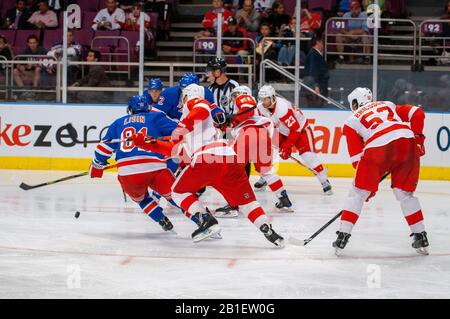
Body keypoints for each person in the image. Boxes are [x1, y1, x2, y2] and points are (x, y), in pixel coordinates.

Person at [133, 84, 285, 246]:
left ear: (187, 95)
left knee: (177, 192)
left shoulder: (196, 103)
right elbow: (174, 150)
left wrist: (182, 128)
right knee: (247, 203)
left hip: (206, 160)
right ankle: (268, 229)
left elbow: (202, 108)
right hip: (228, 161)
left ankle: (206, 220)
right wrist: (147, 144)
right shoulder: (196, 124)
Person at [333, 87, 429, 255]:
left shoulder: (351, 121)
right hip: (408, 142)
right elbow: (417, 113)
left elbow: (357, 160)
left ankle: (343, 235)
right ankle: (421, 236)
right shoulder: (388, 105)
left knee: (356, 193)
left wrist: (367, 186)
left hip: (378, 146)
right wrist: (419, 140)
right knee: (405, 194)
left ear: (355, 103)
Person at [88, 95, 180, 233]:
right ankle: (201, 218)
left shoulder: (118, 123)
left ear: (130, 109)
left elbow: (104, 148)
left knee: (141, 199)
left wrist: (97, 165)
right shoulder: (155, 117)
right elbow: (179, 132)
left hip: (128, 171)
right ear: (148, 107)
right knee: (177, 196)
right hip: (155, 166)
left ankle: (160, 219)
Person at [257, 85, 333, 195]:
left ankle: (324, 179)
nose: (263, 102)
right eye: (261, 99)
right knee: (266, 151)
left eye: (266, 99)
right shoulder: (260, 107)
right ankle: (266, 177)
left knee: (308, 156)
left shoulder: (282, 109)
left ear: (273, 97)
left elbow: (296, 129)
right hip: (282, 131)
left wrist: (286, 146)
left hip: (301, 130)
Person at [228, 85, 293, 212]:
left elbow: (245, 112)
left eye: (236, 94)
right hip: (262, 135)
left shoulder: (244, 100)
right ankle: (283, 198)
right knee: (266, 171)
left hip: (247, 135)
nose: (235, 97)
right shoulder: (257, 106)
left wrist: (231, 119)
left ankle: (234, 204)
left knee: (234, 170)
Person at [13, 34, 47, 100]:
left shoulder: (42, 50)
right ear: (28, 44)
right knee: (15, 71)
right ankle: (24, 92)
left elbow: (47, 63)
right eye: (30, 43)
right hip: (28, 74)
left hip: (40, 74)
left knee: (37, 69)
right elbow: (18, 64)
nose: (32, 45)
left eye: (34, 43)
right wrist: (21, 67)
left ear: (37, 43)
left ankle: (34, 92)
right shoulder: (26, 51)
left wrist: (35, 65)